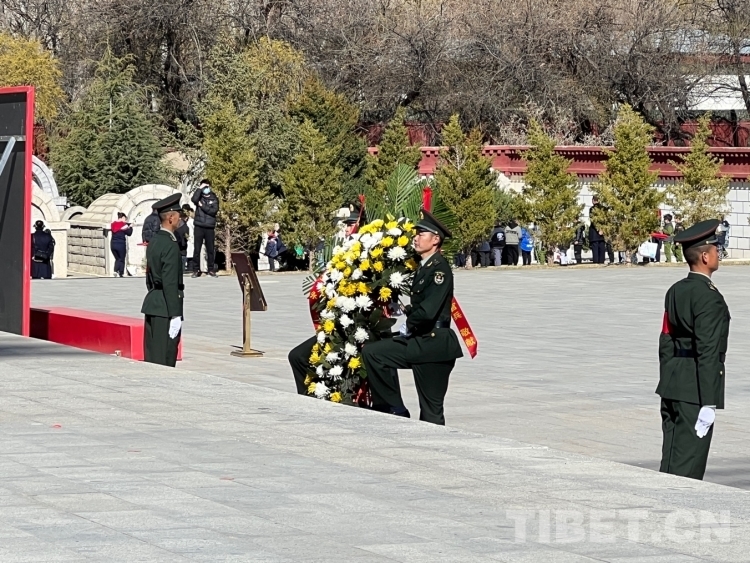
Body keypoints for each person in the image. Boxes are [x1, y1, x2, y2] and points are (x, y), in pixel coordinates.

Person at [361, 209, 464, 425]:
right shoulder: (424, 266)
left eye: (421, 234)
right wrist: (404, 310)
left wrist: (409, 323)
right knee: (374, 353)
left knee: (431, 411)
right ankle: (393, 408)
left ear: (435, 240)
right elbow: (422, 305)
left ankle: (436, 443)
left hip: (434, 345)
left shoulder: (439, 270)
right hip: (420, 341)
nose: (416, 238)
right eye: (416, 234)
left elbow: (428, 312)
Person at [657, 219, 730, 480]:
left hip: (673, 385)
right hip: (695, 391)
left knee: (670, 461)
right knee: (688, 468)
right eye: (715, 249)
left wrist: (669, 377)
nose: (718, 254)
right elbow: (708, 351)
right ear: (704, 257)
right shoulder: (709, 297)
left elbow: (666, 339)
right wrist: (709, 402)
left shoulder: (676, 290)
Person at [288, 208, 361, 394]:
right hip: (334, 325)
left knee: (303, 357)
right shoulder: (343, 254)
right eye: (346, 225)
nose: (347, 229)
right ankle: (309, 398)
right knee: (297, 356)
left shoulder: (363, 255)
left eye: (351, 225)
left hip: (353, 330)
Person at [141, 194, 185, 367]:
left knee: (152, 356)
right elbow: (170, 282)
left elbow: (149, 276)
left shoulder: (155, 241)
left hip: (154, 302)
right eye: (179, 216)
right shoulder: (170, 245)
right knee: (164, 359)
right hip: (166, 308)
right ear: (171, 218)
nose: (180, 219)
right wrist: (175, 314)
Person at [191, 179, 220, 278]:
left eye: (207, 186)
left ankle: (211, 269)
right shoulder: (199, 197)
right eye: (204, 187)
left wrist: (202, 206)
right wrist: (199, 189)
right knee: (197, 249)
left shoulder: (214, 197)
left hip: (209, 226)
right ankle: (195, 270)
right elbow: (194, 199)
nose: (205, 189)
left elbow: (213, 211)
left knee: (210, 249)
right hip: (199, 226)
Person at [110, 212, 133, 277]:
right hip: (121, 244)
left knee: (117, 258)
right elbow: (129, 233)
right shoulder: (123, 225)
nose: (125, 220)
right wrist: (130, 227)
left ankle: (115, 270)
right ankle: (120, 272)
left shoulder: (113, 224)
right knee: (121, 259)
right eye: (125, 219)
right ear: (123, 217)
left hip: (113, 244)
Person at [588, 197, 606, 264]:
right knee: (602, 248)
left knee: (595, 249)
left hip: (595, 232)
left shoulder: (592, 209)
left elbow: (593, 221)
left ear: (593, 201)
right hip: (602, 232)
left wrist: (599, 229)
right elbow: (606, 220)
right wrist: (603, 229)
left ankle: (596, 262)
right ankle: (601, 262)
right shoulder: (604, 208)